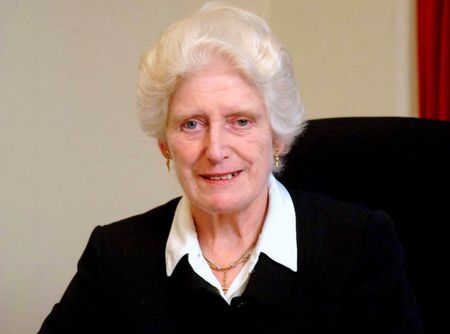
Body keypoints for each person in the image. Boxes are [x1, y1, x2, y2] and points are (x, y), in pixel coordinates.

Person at [38, 2, 422, 333]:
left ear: (278, 136)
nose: (216, 149)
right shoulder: (116, 255)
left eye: (240, 121)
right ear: (164, 143)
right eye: (192, 124)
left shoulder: (360, 245)